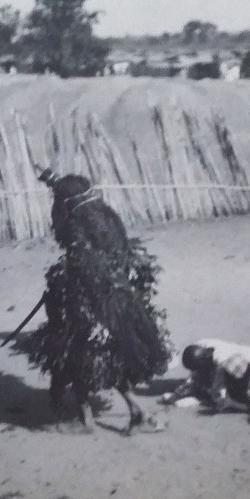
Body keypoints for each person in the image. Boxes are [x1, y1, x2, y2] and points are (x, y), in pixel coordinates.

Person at [19, 168, 172, 435]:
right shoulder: (108, 220)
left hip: (93, 308)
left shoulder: (77, 231)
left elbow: (84, 271)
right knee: (111, 361)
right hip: (121, 307)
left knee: (75, 357)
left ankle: (86, 419)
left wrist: (60, 286)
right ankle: (137, 411)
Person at [161, 339, 250, 409]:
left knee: (217, 394)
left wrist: (194, 399)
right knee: (201, 381)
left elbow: (217, 392)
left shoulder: (221, 361)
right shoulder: (200, 345)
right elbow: (193, 375)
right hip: (238, 361)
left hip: (248, 364)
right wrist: (177, 393)